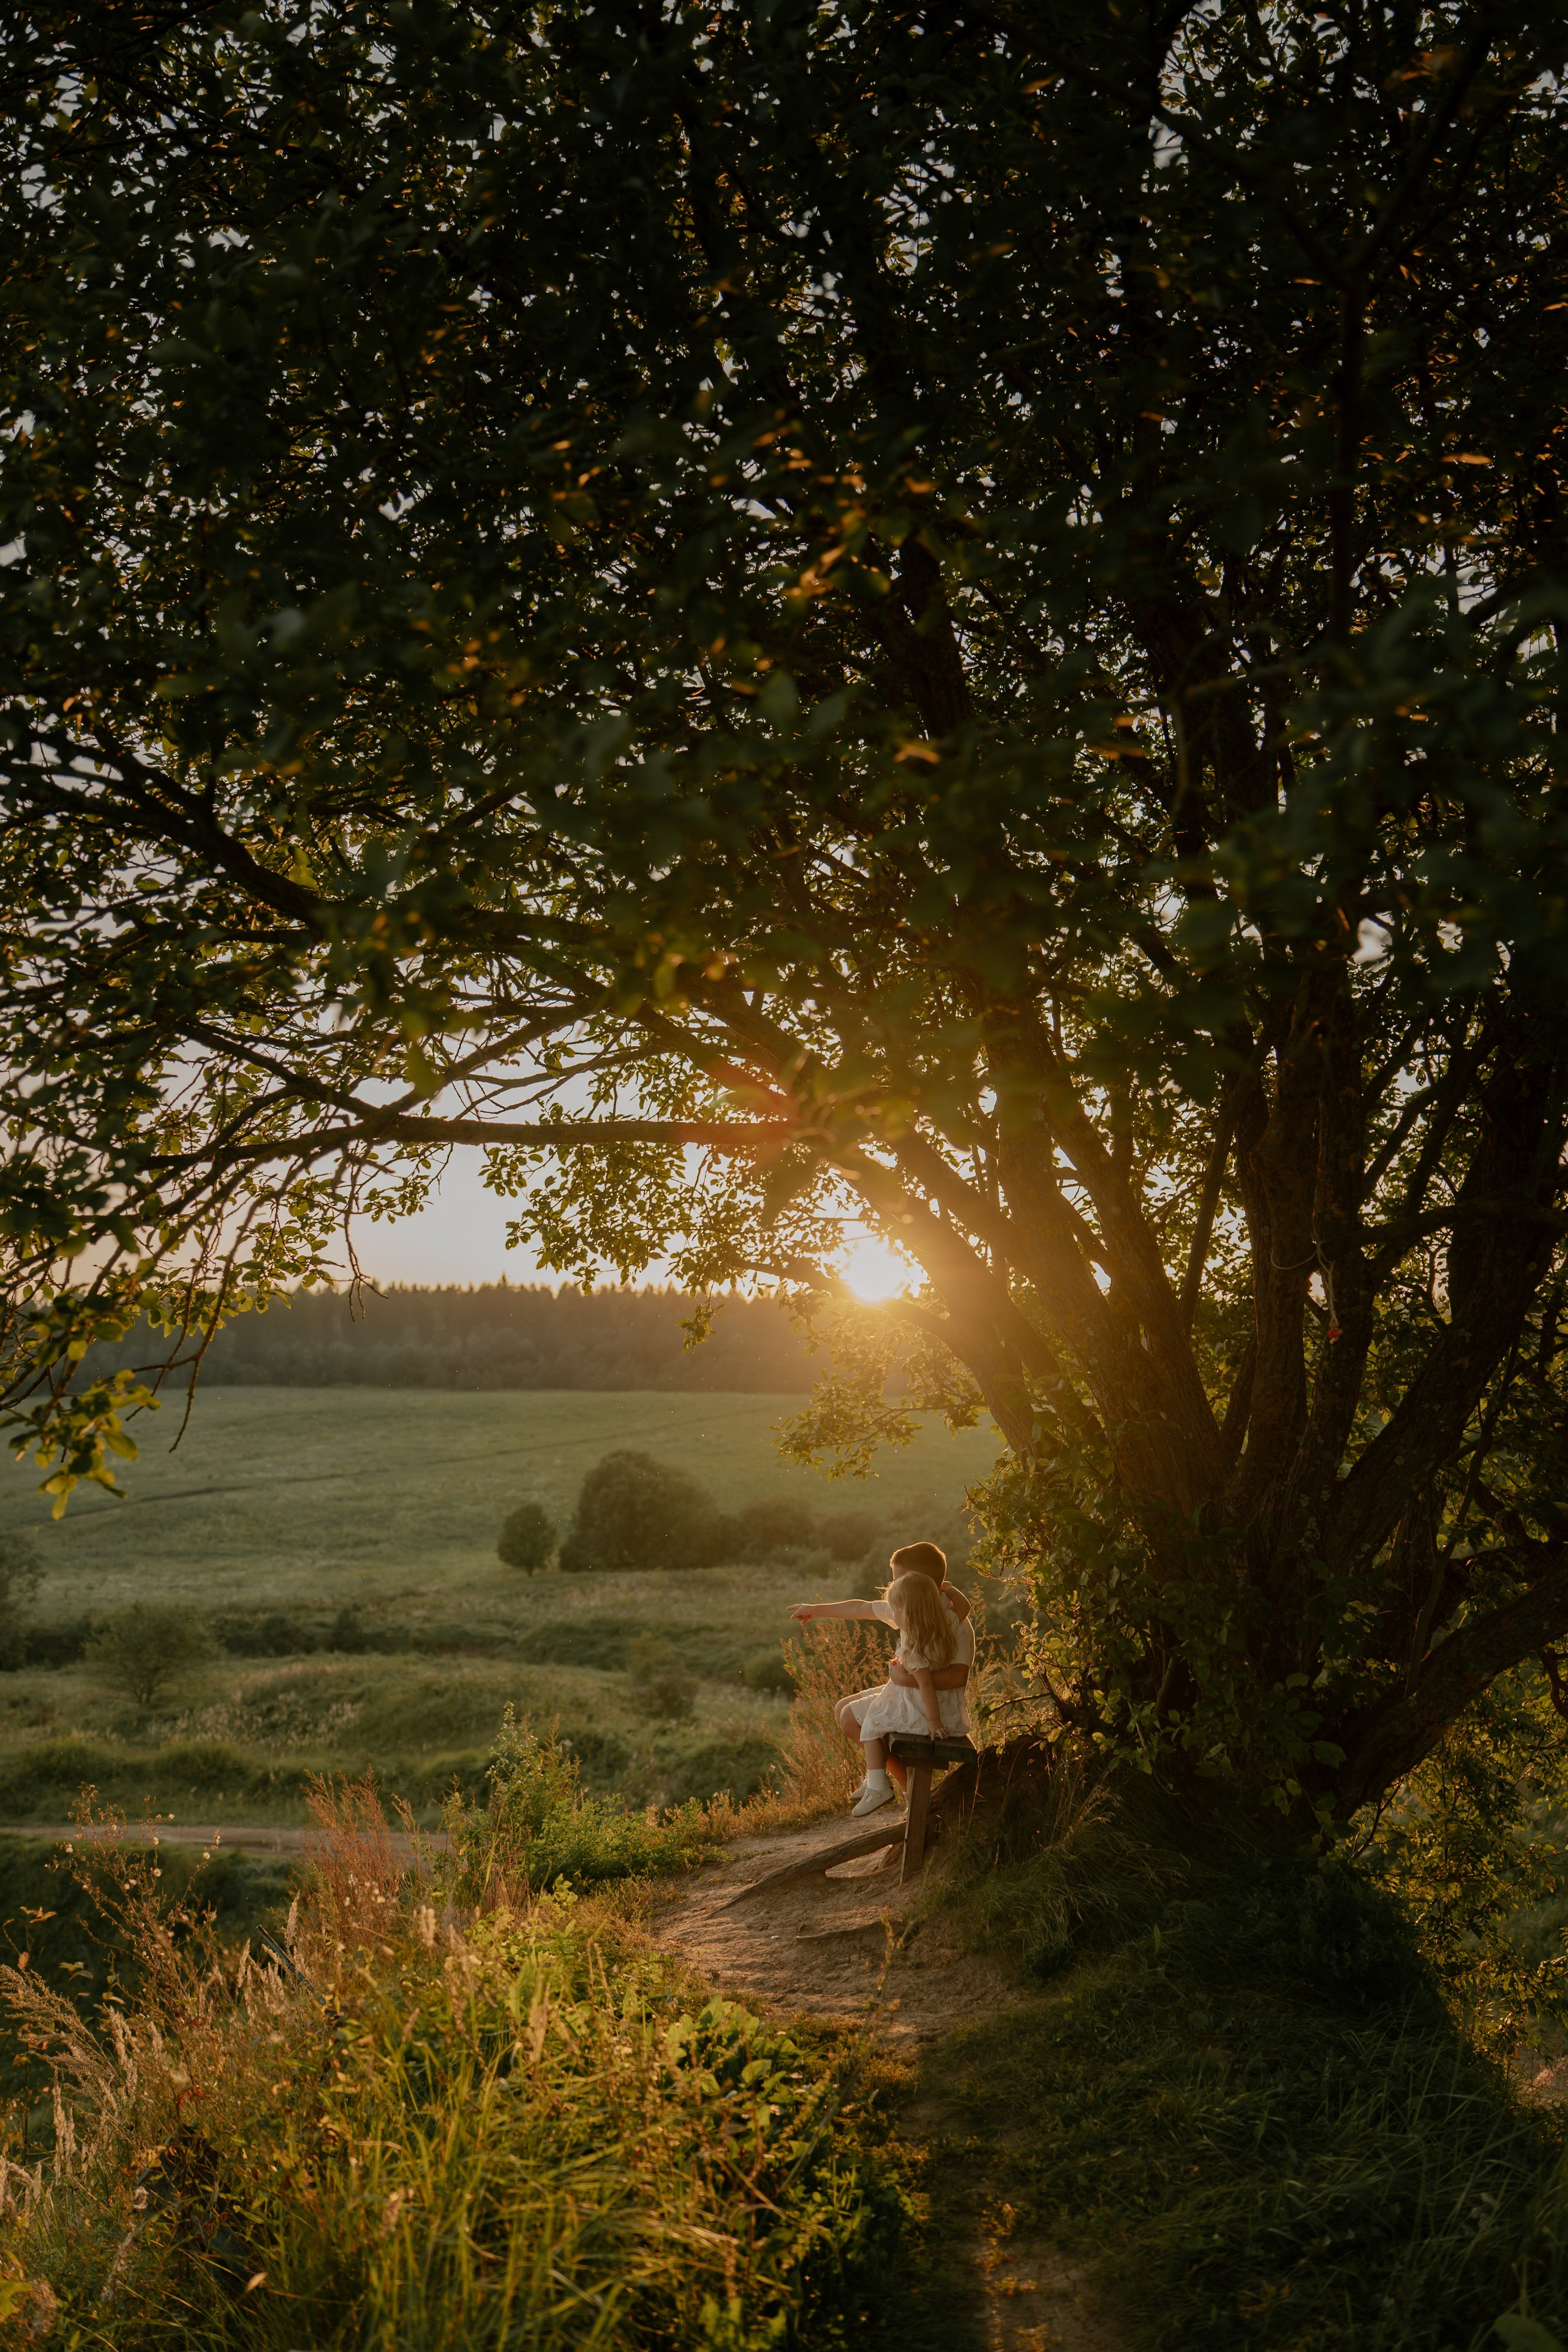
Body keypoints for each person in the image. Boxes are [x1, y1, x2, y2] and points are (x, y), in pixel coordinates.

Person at [789, 1543, 974, 1817]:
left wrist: (904, 1679)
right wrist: (815, 1609)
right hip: (915, 1690)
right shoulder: (912, 1605)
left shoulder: (950, 1622)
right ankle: (884, 1780)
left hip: (931, 1701)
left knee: (851, 1717)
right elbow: (860, 1608)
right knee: (843, 1707)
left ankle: (906, 1790)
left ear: (916, 1583)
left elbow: (958, 1676)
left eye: (897, 1580)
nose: (891, 1589)